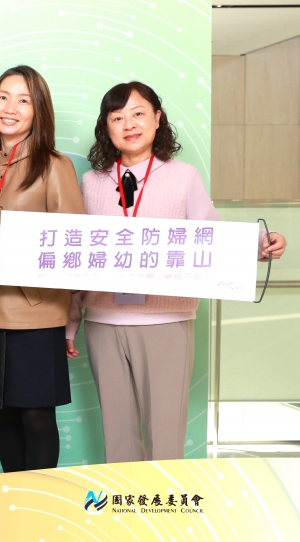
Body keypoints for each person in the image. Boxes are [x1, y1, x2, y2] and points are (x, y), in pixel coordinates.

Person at [67, 81, 287, 463]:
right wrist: (70, 324)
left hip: (167, 320)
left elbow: (210, 234)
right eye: (117, 117)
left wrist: (259, 243)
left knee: (165, 435)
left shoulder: (184, 176)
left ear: (157, 118)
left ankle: (162, 502)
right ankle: (124, 501)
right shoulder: (91, 182)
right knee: (116, 435)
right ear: (106, 127)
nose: (129, 124)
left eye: (138, 113)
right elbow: (75, 256)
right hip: (103, 320)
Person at [0, 65, 85, 473]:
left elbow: (72, 244)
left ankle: (41, 502)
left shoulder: (54, 165)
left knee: (36, 417)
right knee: (1, 416)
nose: (10, 108)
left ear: (38, 111)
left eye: (23, 100)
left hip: (35, 313)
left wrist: (71, 319)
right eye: (3, 97)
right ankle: (11, 497)